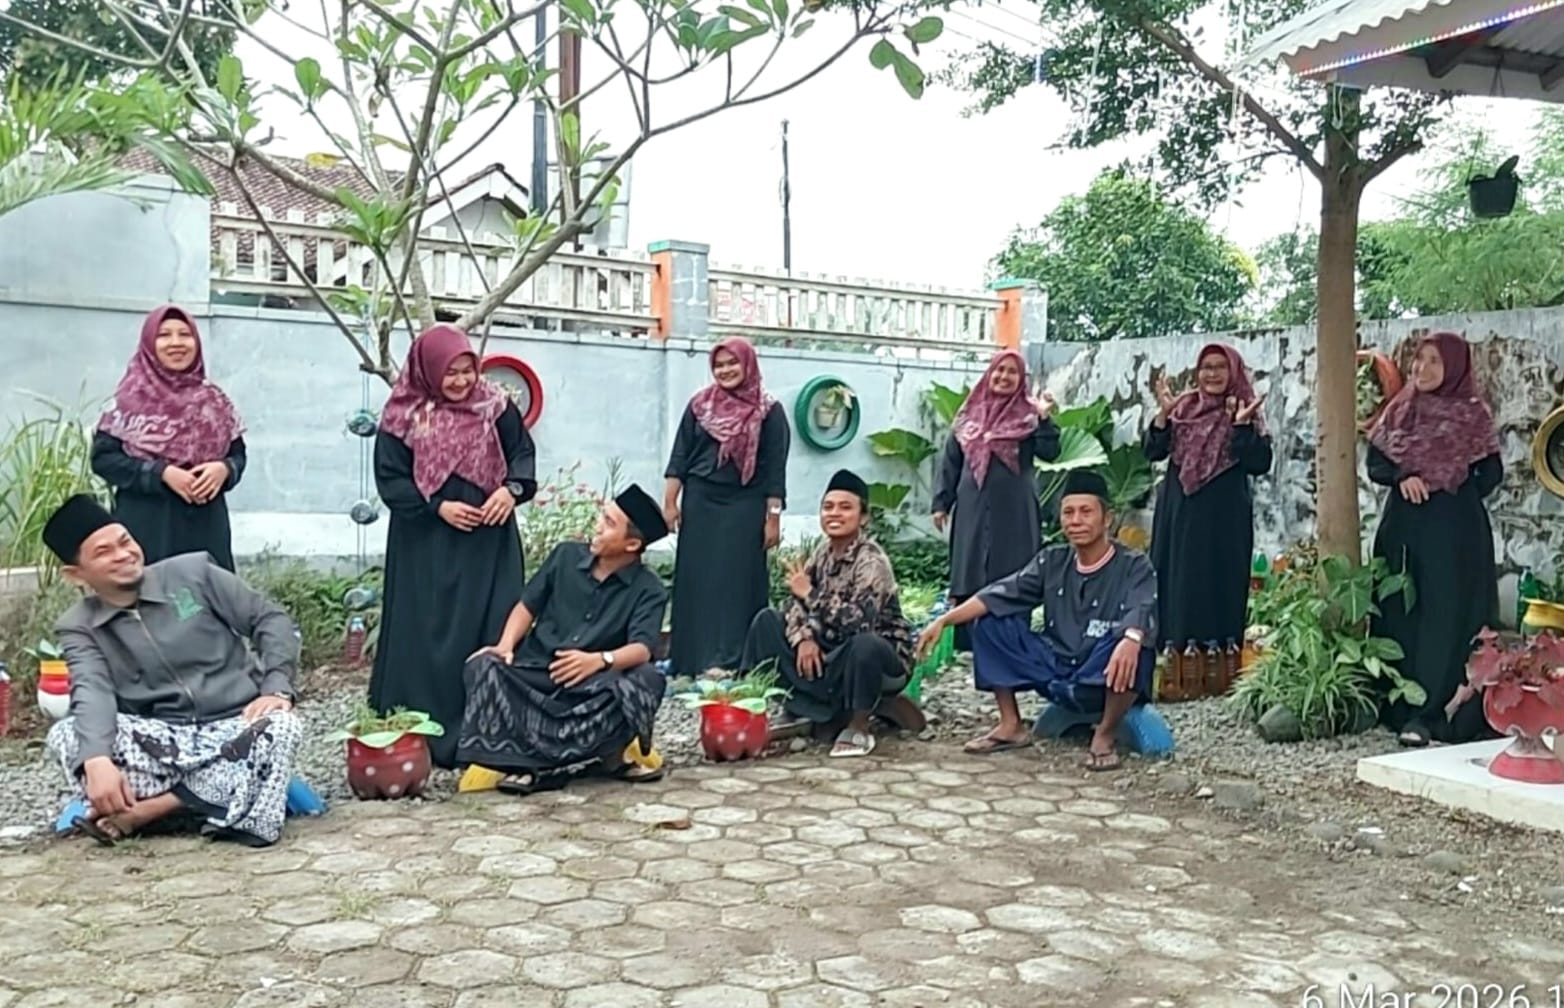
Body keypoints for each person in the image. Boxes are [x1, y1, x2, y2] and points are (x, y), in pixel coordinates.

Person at [42, 494, 303, 847]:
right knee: (69, 735)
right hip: (164, 740)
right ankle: (220, 793)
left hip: (235, 723)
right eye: (104, 552)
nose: (123, 554)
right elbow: (92, 689)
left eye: (125, 541)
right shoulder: (79, 625)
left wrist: (276, 687)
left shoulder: (193, 574)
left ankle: (152, 810)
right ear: (76, 575)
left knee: (281, 726)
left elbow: (269, 620)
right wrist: (97, 759)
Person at [370, 325, 536, 769]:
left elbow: (521, 455)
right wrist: (437, 507)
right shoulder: (402, 416)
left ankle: (486, 732)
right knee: (425, 630)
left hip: (489, 541)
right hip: (426, 542)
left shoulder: (495, 405)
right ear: (428, 370)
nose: (462, 381)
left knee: (491, 624)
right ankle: (419, 732)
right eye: (450, 372)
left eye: (468, 370)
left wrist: (511, 491)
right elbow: (390, 478)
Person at [917, 470, 1157, 770]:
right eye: (1068, 512)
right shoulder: (1052, 560)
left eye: (1086, 512)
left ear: (1107, 518)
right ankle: (1010, 725)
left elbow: (1142, 608)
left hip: (1102, 671)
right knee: (990, 621)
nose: (1076, 521)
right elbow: (997, 593)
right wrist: (943, 621)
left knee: (1136, 643)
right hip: (1056, 665)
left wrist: (1131, 638)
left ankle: (1105, 734)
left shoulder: (1134, 565)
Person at [456, 484, 671, 794]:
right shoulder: (565, 556)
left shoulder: (649, 589)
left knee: (647, 679)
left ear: (632, 544)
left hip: (590, 684)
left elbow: (642, 648)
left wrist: (599, 660)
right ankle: (523, 764)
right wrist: (505, 645)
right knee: (482, 666)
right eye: (602, 516)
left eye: (609, 523)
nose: (598, 526)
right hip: (536, 673)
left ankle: (609, 755)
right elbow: (527, 605)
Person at [1367, 332, 1503, 747]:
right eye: (1419, 359)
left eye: (1434, 361)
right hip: (1404, 528)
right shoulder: (1400, 409)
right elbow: (1375, 462)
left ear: (1455, 368)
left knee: (1445, 615)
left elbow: (1490, 473)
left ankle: (1431, 713)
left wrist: (1450, 489)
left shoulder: (1472, 414)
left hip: (1454, 534)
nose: (1421, 368)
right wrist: (1402, 476)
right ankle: (1396, 706)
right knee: (1400, 608)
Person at [740, 469, 921, 758]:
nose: (835, 514)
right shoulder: (822, 554)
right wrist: (803, 638)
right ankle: (792, 706)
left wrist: (810, 594)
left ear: (863, 517)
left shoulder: (872, 560)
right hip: (831, 650)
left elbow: (859, 622)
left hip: (878, 661)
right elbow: (794, 606)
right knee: (767, 621)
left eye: (845, 507)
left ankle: (859, 726)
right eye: (828, 507)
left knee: (865, 645)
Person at [663, 337, 790, 676]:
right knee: (697, 578)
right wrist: (670, 502)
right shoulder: (699, 406)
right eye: (719, 365)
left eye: (732, 363)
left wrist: (773, 519)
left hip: (746, 505)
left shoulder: (769, 411)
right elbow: (679, 458)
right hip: (701, 501)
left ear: (748, 364)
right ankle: (691, 660)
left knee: (739, 581)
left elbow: (774, 470)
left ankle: (735, 660)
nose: (725, 370)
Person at [91, 304, 247, 571]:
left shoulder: (214, 401)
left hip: (206, 528)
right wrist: (161, 473)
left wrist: (224, 469)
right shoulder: (128, 402)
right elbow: (104, 460)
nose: (176, 343)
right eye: (164, 335)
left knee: (208, 593)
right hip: (148, 528)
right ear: (149, 344)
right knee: (151, 594)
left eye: (185, 335)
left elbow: (238, 455)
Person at [1144, 343, 1272, 655]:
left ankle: (1218, 659)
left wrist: (1240, 426)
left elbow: (1260, 462)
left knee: (1220, 580)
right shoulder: (1183, 408)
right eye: (1206, 367)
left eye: (1220, 367)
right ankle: (1173, 655)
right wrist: (1163, 415)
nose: (1212, 373)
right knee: (1176, 579)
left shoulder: (1245, 409)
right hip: (1178, 512)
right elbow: (1153, 451)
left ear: (1234, 371)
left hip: (1223, 517)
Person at [932, 349, 1061, 650]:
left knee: (1014, 569)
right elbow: (951, 461)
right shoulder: (968, 415)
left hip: (1014, 510)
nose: (1004, 376)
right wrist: (941, 503)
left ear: (1021, 379)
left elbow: (1050, 453)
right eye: (999, 370)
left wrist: (1044, 418)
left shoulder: (1030, 415)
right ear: (989, 374)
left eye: (1012, 372)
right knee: (970, 565)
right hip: (972, 509)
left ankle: (1010, 641)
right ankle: (970, 642)